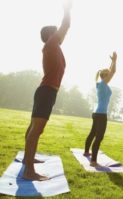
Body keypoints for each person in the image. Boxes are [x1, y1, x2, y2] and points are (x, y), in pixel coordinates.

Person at [22, 1, 72, 181]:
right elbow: (65, 26)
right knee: (36, 130)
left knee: (33, 129)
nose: (60, 33)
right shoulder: (51, 44)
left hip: (46, 91)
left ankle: (28, 160)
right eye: (56, 31)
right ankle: (29, 170)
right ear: (51, 34)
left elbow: (64, 31)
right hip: (46, 92)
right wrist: (67, 9)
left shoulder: (54, 46)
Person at [84, 52, 117, 167]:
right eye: (108, 75)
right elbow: (112, 71)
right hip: (101, 114)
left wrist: (111, 62)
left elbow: (110, 71)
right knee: (99, 137)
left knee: (93, 132)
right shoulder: (102, 84)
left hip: (97, 112)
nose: (110, 76)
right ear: (105, 76)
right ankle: (93, 160)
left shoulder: (102, 84)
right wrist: (115, 61)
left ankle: (86, 151)